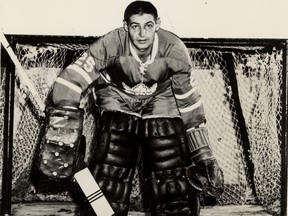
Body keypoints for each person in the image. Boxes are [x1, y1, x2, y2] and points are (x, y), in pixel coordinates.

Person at [39, 1, 224, 215]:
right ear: (126, 26)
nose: (142, 34)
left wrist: (203, 154)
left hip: (161, 98)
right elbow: (69, 80)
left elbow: (188, 102)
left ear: (158, 25)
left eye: (148, 25)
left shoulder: (174, 50)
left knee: (170, 170)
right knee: (112, 162)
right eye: (135, 26)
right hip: (116, 95)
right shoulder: (110, 44)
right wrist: (63, 126)